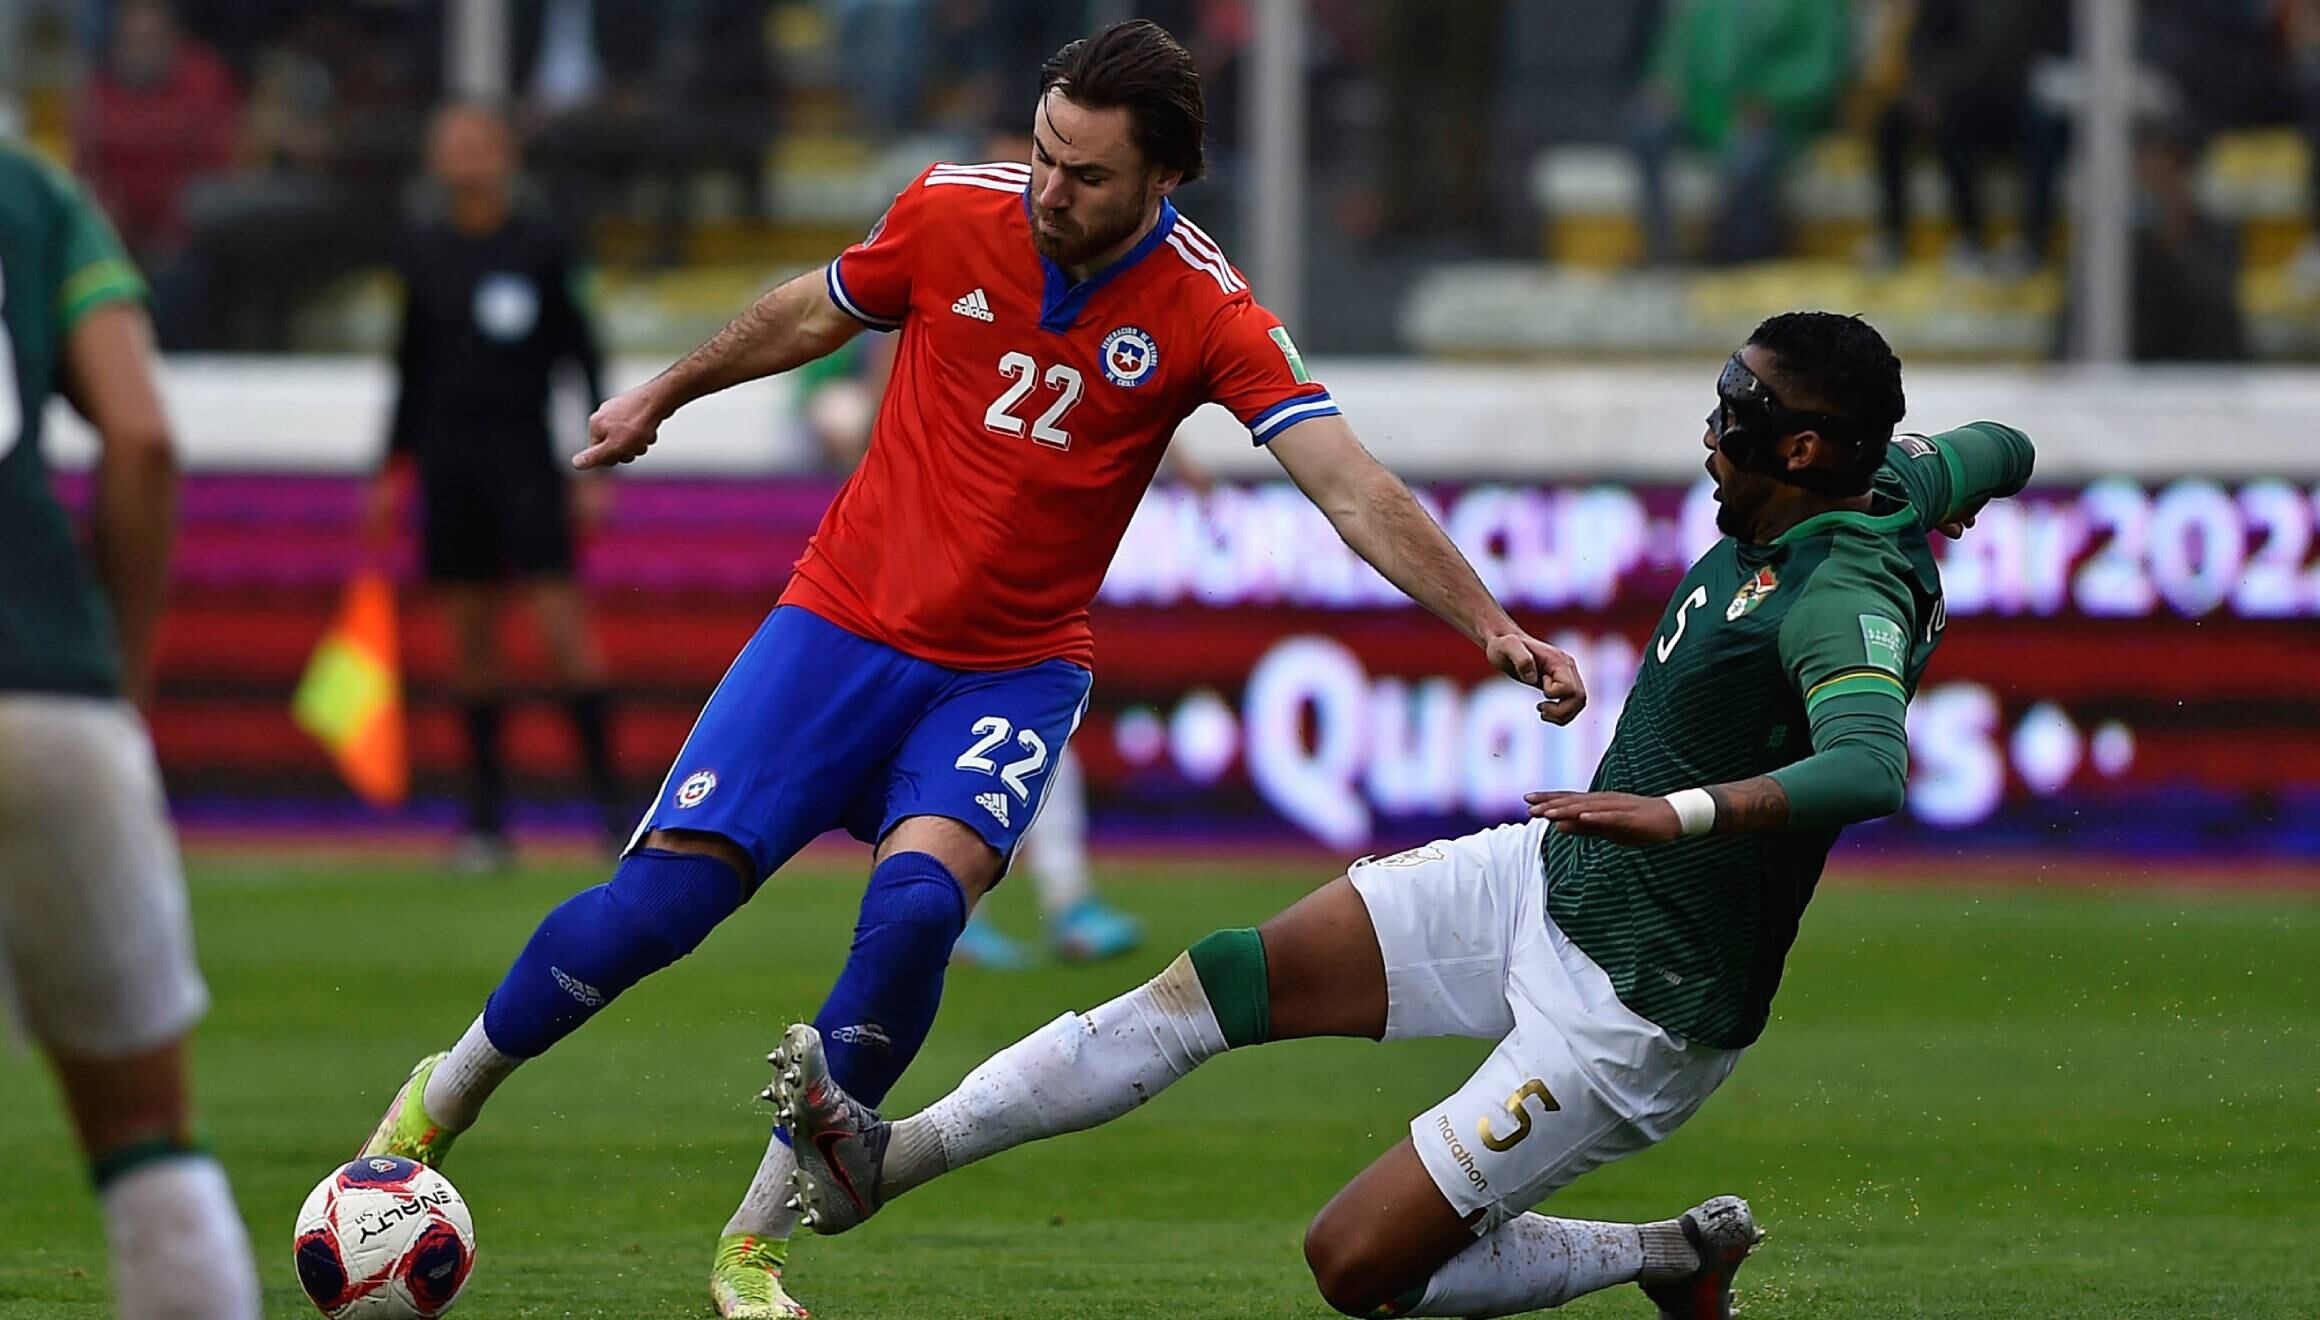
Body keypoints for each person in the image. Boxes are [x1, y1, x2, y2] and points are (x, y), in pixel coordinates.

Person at [357, 20, 1585, 1320]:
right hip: (836, 628)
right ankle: (439, 1102)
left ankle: (753, 1246)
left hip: (1005, 674)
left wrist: (1486, 623)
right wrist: (665, 393)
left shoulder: (1208, 308)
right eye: (1046, 153)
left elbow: (1347, 484)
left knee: (914, 918)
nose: (1050, 189)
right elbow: (810, 308)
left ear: (1166, 178)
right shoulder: (951, 209)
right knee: (654, 914)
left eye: (1088, 175)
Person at [773, 313, 2038, 1320]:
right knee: (1220, 981)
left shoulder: (1835, 594)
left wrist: (1680, 815)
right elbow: (2003, 446)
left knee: (1356, 1266)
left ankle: (1666, 1254)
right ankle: (888, 1160)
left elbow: (1868, 767)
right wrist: (1954, 490)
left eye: (1738, 413)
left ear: (1803, 451)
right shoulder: (1888, 481)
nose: (1712, 429)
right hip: (1553, 876)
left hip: (1637, 1002)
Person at [0, 141, 262, 1319]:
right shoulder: (29, 192)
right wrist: (122, 688)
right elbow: (142, 438)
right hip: (42, 684)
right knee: (146, 1143)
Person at [365, 103, 623, 867]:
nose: (468, 159)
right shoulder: (422, 248)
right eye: (454, 146)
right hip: (448, 463)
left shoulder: (542, 243)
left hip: (524, 459)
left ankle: (614, 814)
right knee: (470, 646)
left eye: (480, 144)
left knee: (561, 633)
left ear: (506, 155)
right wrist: (393, 467)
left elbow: (584, 353)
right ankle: (485, 824)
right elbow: (410, 366)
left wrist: (598, 459)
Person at [1627, 0, 1852, 265]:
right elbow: (1676, 54)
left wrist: (1769, 98)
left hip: (1782, 121)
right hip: (1707, 112)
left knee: (1750, 151)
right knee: (1646, 126)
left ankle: (1732, 254)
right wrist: (1665, 87)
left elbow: (1820, 69)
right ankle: (1662, 251)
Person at [1867, 0, 2069, 275]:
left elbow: (2029, 54)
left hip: (2012, 96)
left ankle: (2016, 243)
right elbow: (1921, 41)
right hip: (1950, 92)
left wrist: (1948, 90)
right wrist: (1927, 90)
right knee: (1891, 124)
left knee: (1966, 125)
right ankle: (1893, 237)